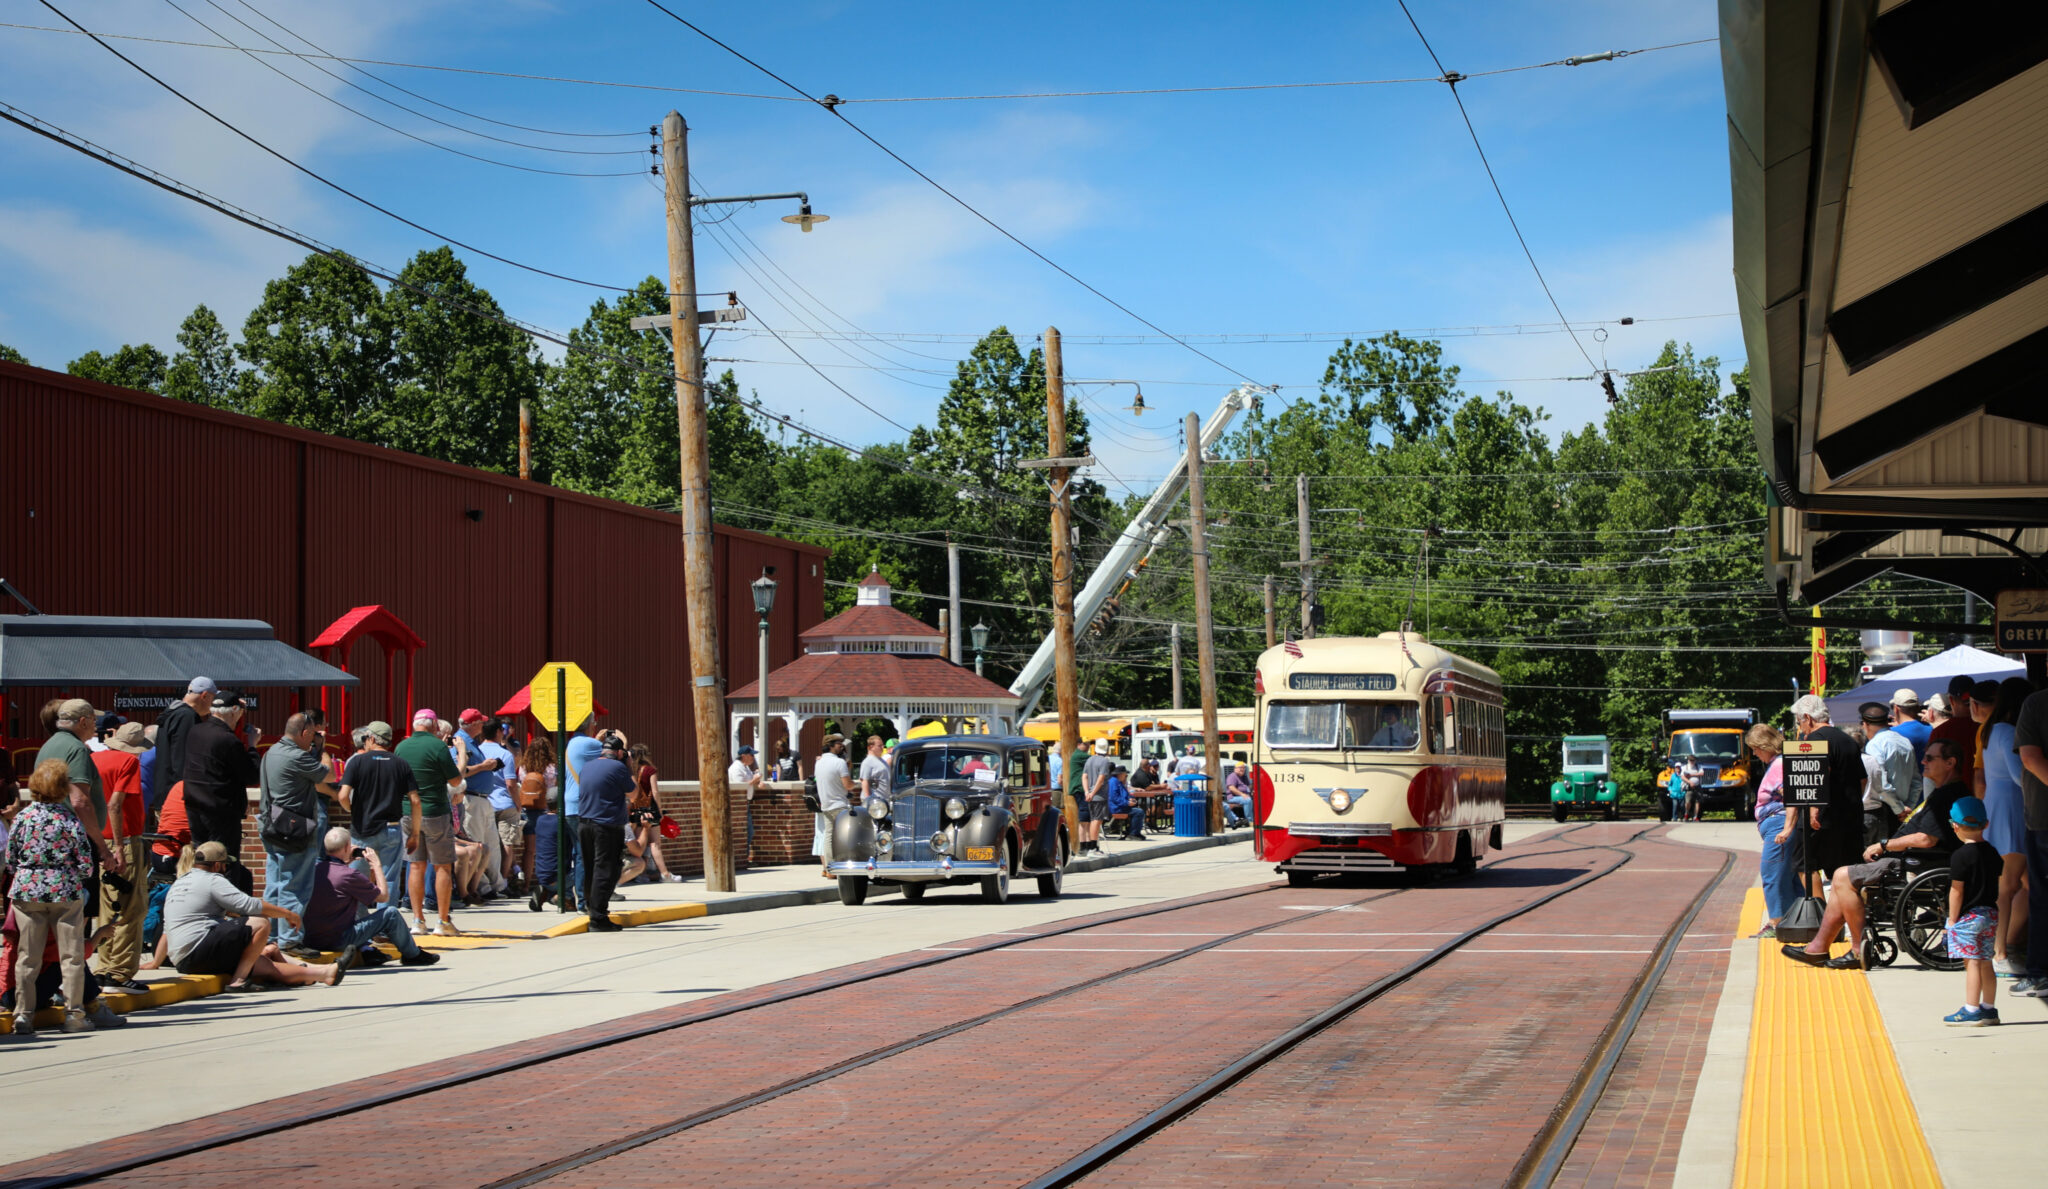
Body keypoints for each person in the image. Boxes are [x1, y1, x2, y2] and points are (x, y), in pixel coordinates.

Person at [1783, 739, 1968, 969]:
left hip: (1917, 862)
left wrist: (1884, 844)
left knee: (1842, 876)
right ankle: (1818, 948)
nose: (1923, 761)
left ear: (1950, 763)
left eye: (1930, 758)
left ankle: (1856, 949)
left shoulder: (1947, 796)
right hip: (1911, 859)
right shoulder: (1945, 793)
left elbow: (1926, 838)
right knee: (1843, 881)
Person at [162, 841, 345, 990]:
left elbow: (167, 929)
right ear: (217, 865)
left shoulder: (180, 882)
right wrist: (288, 914)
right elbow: (250, 905)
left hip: (184, 960)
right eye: (226, 865)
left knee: (262, 964)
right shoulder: (212, 880)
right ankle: (239, 981)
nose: (226, 870)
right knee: (259, 923)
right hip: (200, 949)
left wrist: (156, 961)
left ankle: (323, 972)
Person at [7, 760, 99, 1034]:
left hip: (28, 891)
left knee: (28, 956)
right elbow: (85, 862)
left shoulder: (22, 817)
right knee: (70, 957)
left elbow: (11, 858)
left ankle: (23, 1015)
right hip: (64, 890)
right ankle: (74, 1015)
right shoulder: (68, 818)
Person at [301, 827, 438, 968]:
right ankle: (412, 955)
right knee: (391, 914)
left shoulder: (314, 869)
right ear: (348, 846)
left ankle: (368, 950)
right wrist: (377, 865)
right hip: (339, 940)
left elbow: (335, 873)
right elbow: (383, 897)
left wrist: (345, 862)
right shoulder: (349, 875)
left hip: (311, 939)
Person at [258, 712, 336, 956]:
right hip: (294, 829)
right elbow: (330, 775)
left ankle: (268, 936)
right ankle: (290, 940)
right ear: (304, 733)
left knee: (274, 884)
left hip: (270, 825)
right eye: (313, 734)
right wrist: (323, 750)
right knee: (296, 886)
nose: (314, 739)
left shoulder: (271, 752)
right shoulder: (297, 756)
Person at [1975, 676, 2033, 977]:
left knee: (2018, 883)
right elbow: (2017, 774)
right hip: (2012, 807)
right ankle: (2002, 950)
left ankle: (2005, 946)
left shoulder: (1991, 730)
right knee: (2013, 884)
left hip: (1997, 807)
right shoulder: (2009, 731)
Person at [89, 722, 151, 993]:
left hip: (98, 841)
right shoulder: (129, 762)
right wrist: (117, 846)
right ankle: (120, 972)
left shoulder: (94, 759)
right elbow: (115, 804)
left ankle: (104, 968)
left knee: (108, 907)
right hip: (122, 842)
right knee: (131, 907)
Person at [393, 710, 463, 936]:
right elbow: (455, 780)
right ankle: (442, 921)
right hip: (435, 811)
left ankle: (417, 920)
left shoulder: (401, 747)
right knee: (442, 865)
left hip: (408, 813)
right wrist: (461, 755)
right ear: (434, 725)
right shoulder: (438, 747)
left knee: (415, 865)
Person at [36, 699, 118, 886]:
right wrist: (103, 848)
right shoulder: (77, 749)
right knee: (79, 909)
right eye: (93, 720)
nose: (96, 725)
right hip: (75, 842)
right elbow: (80, 802)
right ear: (83, 722)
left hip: (50, 836)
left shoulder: (49, 745)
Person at [1789, 694, 1865, 889]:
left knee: (1805, 864)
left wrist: (1814, 809)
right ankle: (1845, 916)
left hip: (1822, 819)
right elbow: (1862, 779)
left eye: (1800, 722)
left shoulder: (1814, 739)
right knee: (1844, 871)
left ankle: (1818, 914)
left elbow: (1816, 774)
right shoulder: (1848, 739)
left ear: (1808, 717)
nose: (1800, 727)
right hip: (1849, 816)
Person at [339, 721, 415, 909]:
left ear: (371, 738)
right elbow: (415, 800)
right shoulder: (401, 763)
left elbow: (342, 795)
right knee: (389, 879)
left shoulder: (357, 762)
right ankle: (384, 926)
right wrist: (415, 832)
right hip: (391, 828)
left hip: (362, 827)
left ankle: (360, 926)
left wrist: (351, 810)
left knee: (358, 879)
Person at [1944, 797, 2001, 1026]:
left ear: (1954, 825)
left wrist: (1952, 919)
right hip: (1990, 914)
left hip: (1969, 918)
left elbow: (1956, 891)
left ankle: (1971, 1008)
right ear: (1985, 825)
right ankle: (1989, 1008)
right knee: (1986, 961)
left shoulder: (1960, 856)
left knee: (1973, 962)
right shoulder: (1993, 853)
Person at [183, 691, 260, 852]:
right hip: (220, 811)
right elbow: (251, 775)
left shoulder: (195, 732)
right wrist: (253, 746)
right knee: (225, 861)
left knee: (202, 859)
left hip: (194, 806)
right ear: (233, 710)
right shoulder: (228, 740)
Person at [575, 733, 635, 931]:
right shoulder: (618, 767)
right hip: (606, 826)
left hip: (584, 823)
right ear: (619, 753)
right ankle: (598, 918)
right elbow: (634, 794)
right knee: (606, 869)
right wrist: (629, 766)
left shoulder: (587, 766)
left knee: (591, 868)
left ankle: (592, 909)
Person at [1747, 724, 1801, 939]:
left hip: (1778, 825)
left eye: (1756, 748)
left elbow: (1790, 796)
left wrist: (1787, 828)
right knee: (1787, 875)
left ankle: (1776, 922)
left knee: (1772, 873)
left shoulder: (1779, 764)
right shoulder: (1779, 763)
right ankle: (1792, 921)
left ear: (1765, 745)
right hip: (1777, 824)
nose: (1754, 753)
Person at [2011, 687, 2048, 1000]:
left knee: (2042, 897)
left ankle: (2039, 972)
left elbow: (2030, 757)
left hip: (2043, 819)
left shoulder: (2036, 703)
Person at [450, 710, 508, 900]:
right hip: (470, 799)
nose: (483, 726)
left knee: (490, 845)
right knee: (478, 844)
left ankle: (496, 885)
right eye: (480, 722)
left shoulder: (472, 742)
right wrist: (484, 766)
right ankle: (481, 887)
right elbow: (460, 771)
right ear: (473, 724)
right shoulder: (460, 742)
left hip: (483, 799)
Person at [153, 678, 214, 829]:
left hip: (166, 795)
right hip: (179, 799)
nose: (213, 706)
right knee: (186, 851)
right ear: (204, 696)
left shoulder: (173, 713)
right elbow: (183, 761)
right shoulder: (187, 717)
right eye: (213, 699)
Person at [620, 743, 680, 885]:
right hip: (649, 810)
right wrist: (659, 810)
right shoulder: (649, 770)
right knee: (655, 843)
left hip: (634, 809)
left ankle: (641, 874)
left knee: (641, 842)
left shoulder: (629, 771)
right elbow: (655, 791)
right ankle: (665, 874)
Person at [562, 717, 605, 907]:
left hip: (569, 804)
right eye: (594, 722)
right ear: (588, 725)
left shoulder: (571, 743)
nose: (595, 725)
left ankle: (563, 892)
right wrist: (619, 740)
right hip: (584, 806)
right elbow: (616, 757)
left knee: (576, 853)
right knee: (585, 855)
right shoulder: (591, 743)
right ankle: (583, 901)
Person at [1857, 701, 1910, 844]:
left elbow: (1883, 784)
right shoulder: (1905, 741)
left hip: (1886, 810)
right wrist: (1907, 808)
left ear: (1865, 724)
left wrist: (1899, 810)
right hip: (1905, 810)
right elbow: (1916, 780)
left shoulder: (1874, 745)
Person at [479, 722, 520, 896]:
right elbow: (511, 783)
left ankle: (484, 881)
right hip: (504, 802)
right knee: (506, 843)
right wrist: (518, 803)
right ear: (498, 732)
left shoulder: (477, 751)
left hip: (484, 800)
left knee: (484, 843)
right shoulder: (504, 754)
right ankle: (502, 881)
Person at [519, 735, 559, 910]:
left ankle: (527, 884)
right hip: (546, 810)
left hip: (528, 810)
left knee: (529, 850)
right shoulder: (551, 768)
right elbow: (555, 787)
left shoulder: (523, 767)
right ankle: (548, 884)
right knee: (549, 849)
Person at [1928, 675, 1978, 803]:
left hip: (1951, 800)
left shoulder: (1940, 732)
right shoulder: (1988, 728)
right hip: (1985, 796)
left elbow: (1931, 772)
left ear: (1951, 700)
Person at [813, 734, 853, 879]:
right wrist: (854, 783)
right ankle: (845, 866)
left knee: (829, 837)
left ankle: (830, 869)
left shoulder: (819, 762)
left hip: (826, 805)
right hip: (840, 804)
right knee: (846, 837)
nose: (841, 745)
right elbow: (847, 784)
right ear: (831, 745)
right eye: (839, 743)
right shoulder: (839, 763)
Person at [1081, 738, 1116, 857]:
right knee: (1097, 820)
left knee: (1093, 820)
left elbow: (1084, 776)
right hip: (1099, 795)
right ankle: (1092, 848)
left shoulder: (1089, 759)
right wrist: (1093, 792)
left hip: (1090, 795)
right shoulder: (1104, 761)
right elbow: (1101, 779)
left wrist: (1087, 792)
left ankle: (1093, 847)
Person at [1888, 689, 1932, 782]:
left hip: (1904, 792)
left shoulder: (1891, 734)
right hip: (1929, 787)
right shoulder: (1932, 730)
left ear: (1896, 708)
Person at [859, 736, 891, 811]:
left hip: (883, 801)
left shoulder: (881, 760)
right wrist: (869, 801)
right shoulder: (867, 762)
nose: (882, 747)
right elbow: (864, 781)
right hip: (875, 802)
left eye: (883, 745)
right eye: (879, 746)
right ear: (871, 747)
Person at [1223, 761, 1253, 829]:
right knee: (1247, 800)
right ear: (1235, 769)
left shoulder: (1244, 777)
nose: (1242, 769)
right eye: (1240, 768)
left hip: (1243, 796)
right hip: (1233, 797)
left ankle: (1256, 820)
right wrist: (1242, 794)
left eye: (1243, 768)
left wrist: (1252, 789)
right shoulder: (1232, 776)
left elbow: (1248, 787)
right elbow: (1232, 788)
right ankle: (1249, 821)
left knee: (1255, 799)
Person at [1677, 755, 1705, 823]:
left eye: (1693, 760)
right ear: (1688, 760)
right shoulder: (1684, 767)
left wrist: (1691, 775)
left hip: (1697, 786)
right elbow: (1683, 777)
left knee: (1697, 802)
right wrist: (1690, 782)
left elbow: (1702, 773)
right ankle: (1686, 813)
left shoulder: (1698, 767)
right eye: (1690, 760)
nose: (1692, 762)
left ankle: (1695, 817)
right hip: (1689, 787)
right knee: (1688, 802)